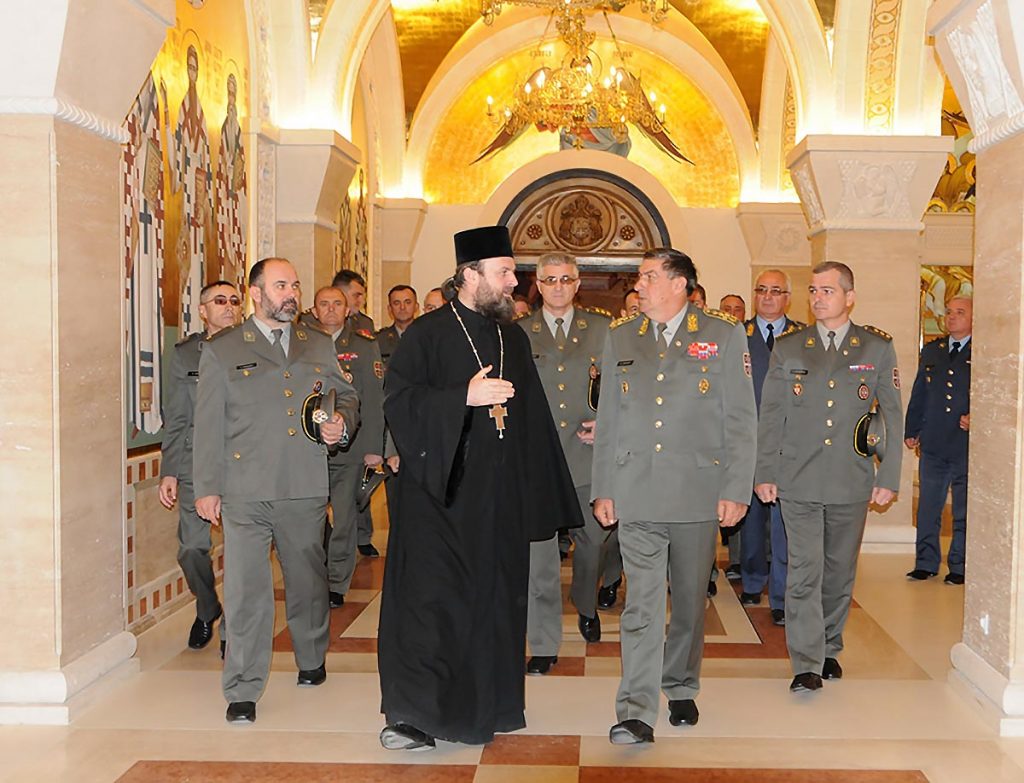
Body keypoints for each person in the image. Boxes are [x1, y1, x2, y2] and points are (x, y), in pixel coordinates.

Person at [377, 225, 583, 750]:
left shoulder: (512, 336)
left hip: (498, 503)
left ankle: (488, 706)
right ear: (470, 275)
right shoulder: (426, 334)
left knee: (493, 606)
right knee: (432, 608)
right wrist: (460, 399)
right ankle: (413, 717)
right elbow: (399, 402)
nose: (515, 282)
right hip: (438, 502)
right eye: (505, 272)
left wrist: (541, 496)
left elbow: (533, 419)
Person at [592, 248, 757, 744]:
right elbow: (608, 420)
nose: (638, 286)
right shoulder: (621, 335)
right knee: (640, 605)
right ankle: (635, 710)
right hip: (637, 490)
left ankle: (681, 683)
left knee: (687, 600)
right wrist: (604, 487)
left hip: (697, 491)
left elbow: (740, 419)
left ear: (679, 283)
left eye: (648, 277)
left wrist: (735, 488)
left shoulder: (723, 334)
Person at [193, 257, 359, 724]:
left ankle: (311, 655)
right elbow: (208, 424)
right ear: (256, 293)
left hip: (303, 484)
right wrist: (207, 487)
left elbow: (345, 396)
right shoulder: (224, 349)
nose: (292, 294)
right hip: (244, 489)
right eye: (281, 285)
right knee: (246, 590)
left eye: (295, 285)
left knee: (306, 580)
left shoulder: (316, 343)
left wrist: (340, 421)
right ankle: (243, 686)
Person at [755, 261, 903, 694]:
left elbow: (892, 414)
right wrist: (765, 471)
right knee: (804, 569)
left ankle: (829, 645)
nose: (818, 298)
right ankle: (805, 661)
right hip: (797, 478)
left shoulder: (875, 347)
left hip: (849, 478)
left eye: (828, 291)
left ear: (849, 297)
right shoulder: (791, 346)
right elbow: (771, 415)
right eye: (814, 291)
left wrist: (888, 475)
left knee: (838, 570)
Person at [519, 252, 618, 673]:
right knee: (539, 558)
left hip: (586, 456)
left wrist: (608, 426)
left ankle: (585, 603)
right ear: (538, 285)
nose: (557, 287)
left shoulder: (602, 329)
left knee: (594, 542)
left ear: (577, 284)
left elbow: (622, 388)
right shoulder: (518, 332)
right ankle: (543, 642)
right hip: (538, 460)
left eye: (565, 279)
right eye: (549, 280)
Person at [159, 281, 240, 654]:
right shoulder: (186, 355)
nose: (228, 306)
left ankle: (232, 633)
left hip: (241, 464)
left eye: (234, 300)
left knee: (242, 552)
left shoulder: (254, 348)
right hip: (196, 464)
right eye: (219, 301)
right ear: (203, 310)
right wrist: (169, 470)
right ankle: (208, 607)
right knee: (191, 549)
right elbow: (177, 416)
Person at [312, 286, 386, 608]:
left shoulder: (363, 346)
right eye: (324, 304)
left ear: (348, 310)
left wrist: (373, 446)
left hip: (349, 448)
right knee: (312, 519)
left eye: (337, 304)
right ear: (314, 310)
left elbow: (373, 399)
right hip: (309, 449)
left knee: (344, 517)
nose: (330, 309)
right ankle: (314, 575)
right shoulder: (302, 344)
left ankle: (336, 581)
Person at [738, 270, 804, 625]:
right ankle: (752, 580)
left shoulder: (803, 337)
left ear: (787, 298)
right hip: (747, 441)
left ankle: (781, 595)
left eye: (775, 291)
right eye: (761, 290)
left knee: (783, 523)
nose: (767, 296)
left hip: (788, 443)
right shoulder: (737, 334)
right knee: (750, 519)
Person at [904, 295, 972, 586]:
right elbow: (920, 392)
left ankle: (959, 564)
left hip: (965, 443)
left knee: (963, 509)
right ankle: (926, 562)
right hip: (933, 440)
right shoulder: (933, 350)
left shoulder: (984, 351)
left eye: (960, 312)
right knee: (929, 506)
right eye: (949, 312)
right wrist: (912, 429)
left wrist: (978, 416)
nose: (952, 317)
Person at [378, 285, 418, 369]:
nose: (402, 307)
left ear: (416, 307)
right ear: (389, 309)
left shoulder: (427, 337)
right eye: (396, 303)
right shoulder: (379, 341)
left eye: (408, 302)